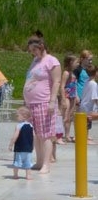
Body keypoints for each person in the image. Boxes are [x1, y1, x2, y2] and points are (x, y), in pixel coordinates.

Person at [23, 34, 61, 173]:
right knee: (36, 134)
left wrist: (52, 102)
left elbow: (56, 81)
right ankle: (39, 161)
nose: (32, 53)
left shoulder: (51, 61)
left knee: (45, 134)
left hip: (44, 102)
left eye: (34, 50)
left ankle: (46, 163)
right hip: (32, 103)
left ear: (41, 47)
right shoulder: (35, 61)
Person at [9, 106, 35, 180]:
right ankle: (28, 175)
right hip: (28, 149)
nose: (16, 117)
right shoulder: (31, 126)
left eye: (18, 115)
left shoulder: (19, 126)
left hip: (19, 149)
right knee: (28, 163)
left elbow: (15, 136)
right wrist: (32, 146)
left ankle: (15, 175)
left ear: (24, 116)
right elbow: (34, 137)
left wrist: (11, 144)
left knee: (17, 162)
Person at [60, 54, 79, 142]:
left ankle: (67, 135)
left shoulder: (73, 73)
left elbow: (75, 86)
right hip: (67, 96)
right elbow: (62, 86)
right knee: (65, 115)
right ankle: (59, 134)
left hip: (73, 96)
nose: (78, 64)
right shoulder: (66, 73)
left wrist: (77, 96)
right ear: (71, 62)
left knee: (70, 116)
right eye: (76, 62)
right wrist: (63, 99)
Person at [79, 65, 98, 141]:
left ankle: (85, 136)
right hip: (88, 106)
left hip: (84, 104)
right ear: (96, 73)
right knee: (87, 121)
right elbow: (95, 97)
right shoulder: (94, 84)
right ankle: (85, 138)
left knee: (87, 121)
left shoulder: (87, 81)